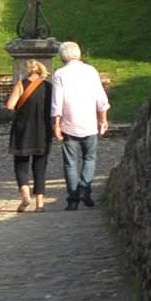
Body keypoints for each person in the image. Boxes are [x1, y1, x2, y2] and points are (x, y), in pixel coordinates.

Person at [51, 39, 111, 209]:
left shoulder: (60, 74)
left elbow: (57, 102)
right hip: (89, 122)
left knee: (70, 162)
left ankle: (73, 198)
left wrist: (56, 125)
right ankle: (85, 188)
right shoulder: (90, 71)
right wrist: (103, 119)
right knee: (89, 158)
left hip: (69, 123)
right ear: (78, 54)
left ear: (63, 57)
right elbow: (101, 98)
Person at [3, 57, 53, 212]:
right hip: (43, 130)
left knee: (21, 163)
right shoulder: (49, 87)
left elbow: (10, 105)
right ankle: (40, 203)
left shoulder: (21, 85)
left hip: (23, 129)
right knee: (40, 166)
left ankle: (25, 194)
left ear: (27, 70)